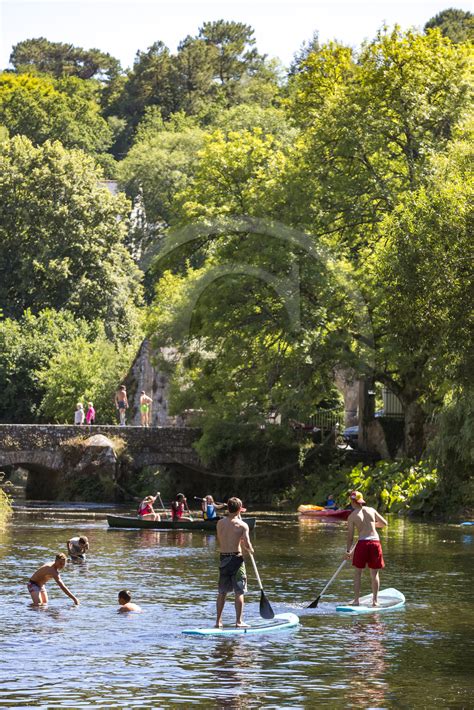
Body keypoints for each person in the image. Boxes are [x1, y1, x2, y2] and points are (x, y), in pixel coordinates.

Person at [215, 497, 254, 628]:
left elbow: (226, 535)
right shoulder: (243, 525)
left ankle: (218, 622)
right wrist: (250, 549)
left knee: (222, 592)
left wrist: (237, 515)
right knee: (239, 591)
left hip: (223, 559)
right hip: (236, 560)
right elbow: (247, 545)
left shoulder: (220, 523)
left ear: (228, 508)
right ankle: (239, 621)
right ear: (239, 509)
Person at [345, 490, 388, 606]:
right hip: (375, 542)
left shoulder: (352, 516)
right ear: (361, 501)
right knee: (374, 574)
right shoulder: (371, 510)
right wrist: (372, 525)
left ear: (352, 502)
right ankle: (375, 601)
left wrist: (348, 551)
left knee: (358, 573)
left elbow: (350, 537)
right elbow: (384, 523)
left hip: (362, 543)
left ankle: (356, 601)